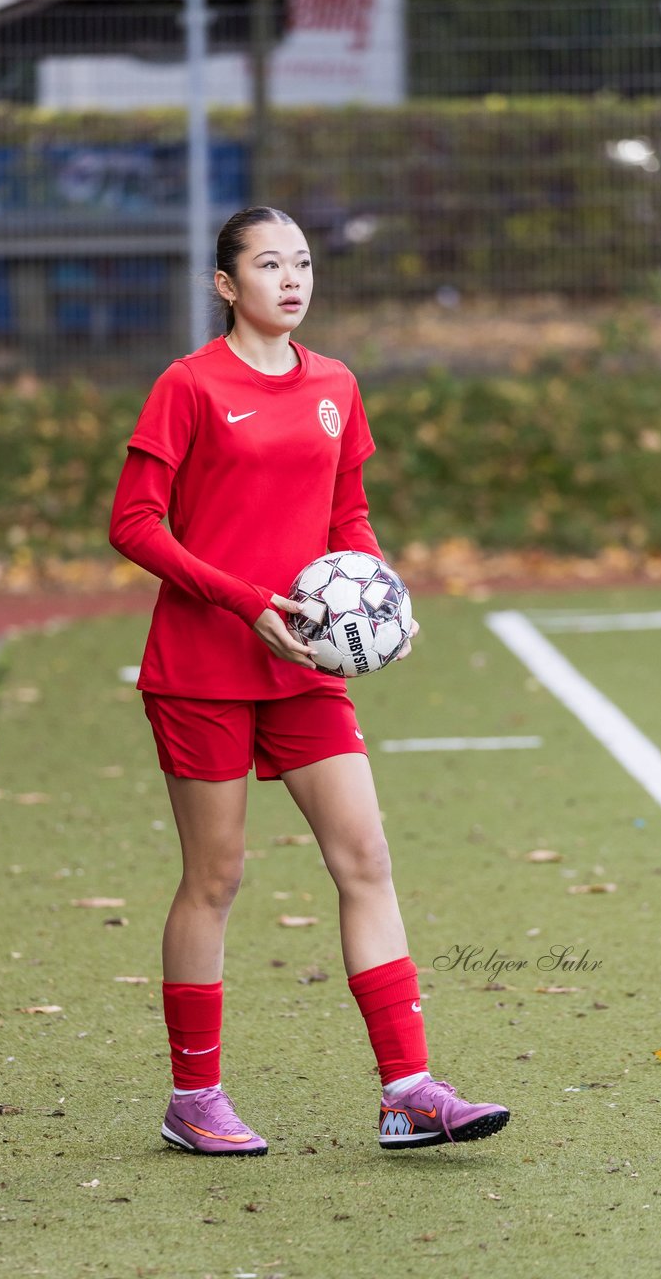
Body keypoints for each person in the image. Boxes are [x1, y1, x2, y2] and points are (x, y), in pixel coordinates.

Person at [109, 206, 509, 1157]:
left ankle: (407, 1092)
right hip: (205, 667)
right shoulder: (189, 385)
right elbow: (135, 524)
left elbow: (350, 515)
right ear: (225, 285)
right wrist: (246, 602)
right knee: (214, 878)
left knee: (364, 858)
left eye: (302, 264)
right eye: (268, 264)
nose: (291, 280)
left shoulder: (336, 384)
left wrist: (381, 605)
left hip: (308, 670)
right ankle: (193, 1099)